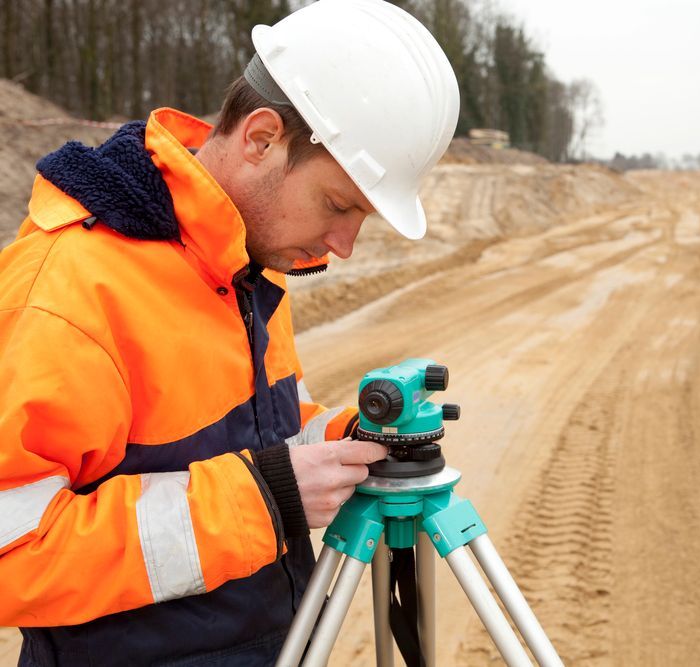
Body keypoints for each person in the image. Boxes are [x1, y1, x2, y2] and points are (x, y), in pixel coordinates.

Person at [0, 0, 460, 664]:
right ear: (261, 138)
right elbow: (13, 551)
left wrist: (343, 442)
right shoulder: (68, 290)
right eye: (338, 205)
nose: (345, 244)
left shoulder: (249, 261)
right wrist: (264, 496)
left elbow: (260, 435)